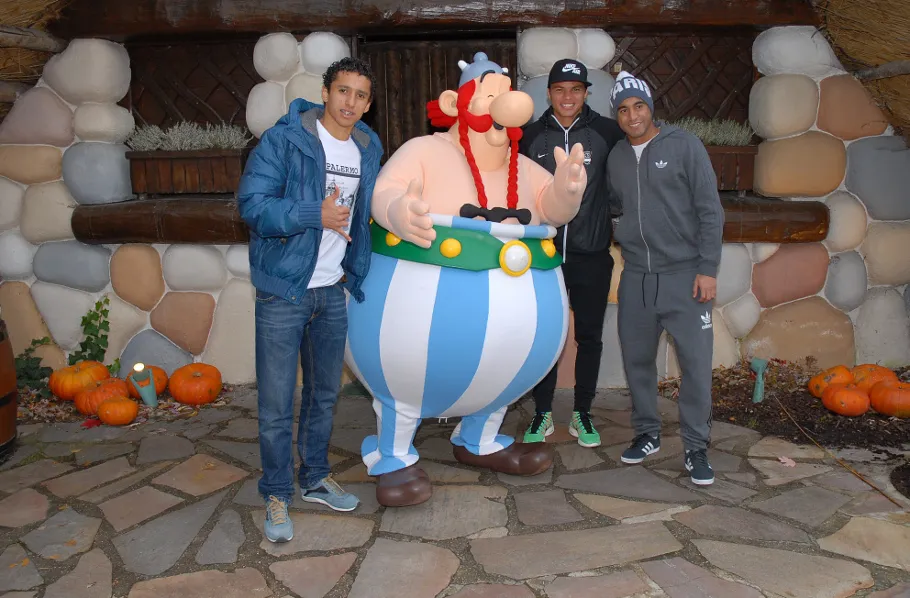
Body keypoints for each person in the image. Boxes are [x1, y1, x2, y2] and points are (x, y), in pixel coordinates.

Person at [237, 56, 383, 542]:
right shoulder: (285, 140)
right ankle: (277, 493)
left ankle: (315, 477)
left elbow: (369, 210)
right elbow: (252, 207)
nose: (351, 103)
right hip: (283, 291)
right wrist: (310, 212)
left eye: (361, 95)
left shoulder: (366, 145)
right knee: (278, 402)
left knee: (324, 395)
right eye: (343, 91)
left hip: (331, 289)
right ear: (325, 92)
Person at [606, 71, 724, 485]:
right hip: (637, 277)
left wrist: (707, 268)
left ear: (650, 107)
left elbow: (710, 209)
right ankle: (647, 434)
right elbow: (615, 206)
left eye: (638, 106)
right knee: (637, 361)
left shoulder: (684, 146)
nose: (632, 115)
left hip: (685, 276)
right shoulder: (617, 157)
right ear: (617, 116)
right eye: (623, 109)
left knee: (694, 365)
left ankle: (695, 448)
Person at [519, 59, 624, 449]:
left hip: (592, 254)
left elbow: (622, 182)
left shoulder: (607, 132)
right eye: (560, 89)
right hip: (544, 257)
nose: (567, 97)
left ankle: (582, 413)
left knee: (589, 337)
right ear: (549, 93)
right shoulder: (529, 136)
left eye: (575, 89)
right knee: (546, 335)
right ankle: (542, 411)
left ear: (585, 93)